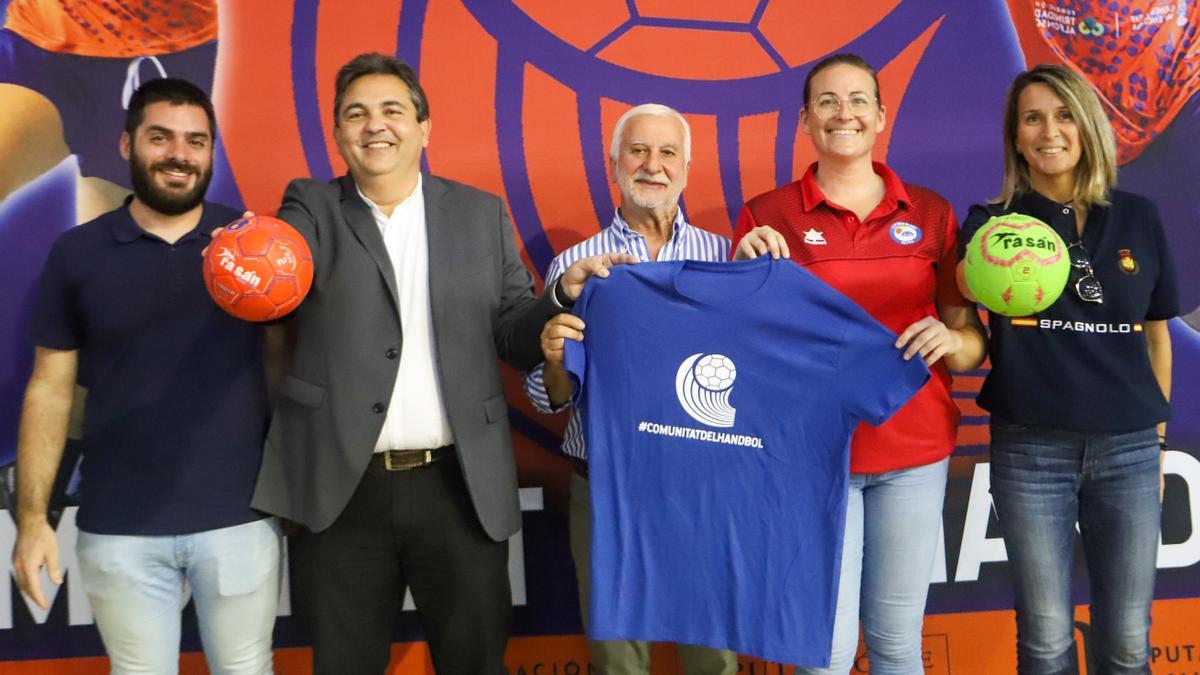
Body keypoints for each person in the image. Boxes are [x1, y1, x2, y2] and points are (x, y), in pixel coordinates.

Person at [247, 52, 627, 675]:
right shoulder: (310, 207)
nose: (375, 125)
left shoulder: (480, 213)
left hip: (459, 489)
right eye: (356, 114)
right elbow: (276, 266)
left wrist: (561, 294)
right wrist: (246, 256)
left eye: (392, 110)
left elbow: (514, 337)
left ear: (424, 127)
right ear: (338, 133)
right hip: (342, 491)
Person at [10, 77, 278, 675]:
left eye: (196, 141)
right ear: (127, 144)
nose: (180, 154)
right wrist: (32, 520)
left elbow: (287, 363)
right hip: (119, 527)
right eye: (161, 138)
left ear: (211, 153)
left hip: (238, 520)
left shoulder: (254, 246)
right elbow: (49, 389)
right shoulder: (77, 253)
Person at [732, 53, 987, 674]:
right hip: (812, 456)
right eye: (826, 101)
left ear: (880, 116)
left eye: (857, 100)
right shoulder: (767, 215)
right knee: (827, 654)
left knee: (897, 645)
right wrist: (740, 277)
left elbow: (969, 342)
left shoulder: (930, 212)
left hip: (914, 451)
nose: (842, 113)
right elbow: (740, 347)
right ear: (805, 120)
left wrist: (952, 342)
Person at [957, 64, 1177, 674]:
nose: (1049, 131)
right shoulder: (991, 224)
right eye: (1032, 118)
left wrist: (1157, 445)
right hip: (1031, 452)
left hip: (1129, 449)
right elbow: (964, 290)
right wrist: (973, 268)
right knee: (1046, 640)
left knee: (1128, 641)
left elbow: (1157, 338)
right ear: (1016, 136)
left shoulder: (1139, 217)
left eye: (1063, 115)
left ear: (1087, 125)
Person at [525, 103, 737, 674]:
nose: (653, 165)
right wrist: (553, 358)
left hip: (703, 487)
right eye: (638, 151)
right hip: (607, 490)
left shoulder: (727, 257)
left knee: (713, 661)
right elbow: (548, 397)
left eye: (668, 153)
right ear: (614, 164)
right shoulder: (575, 265)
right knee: (617, 662)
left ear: (687, 166)